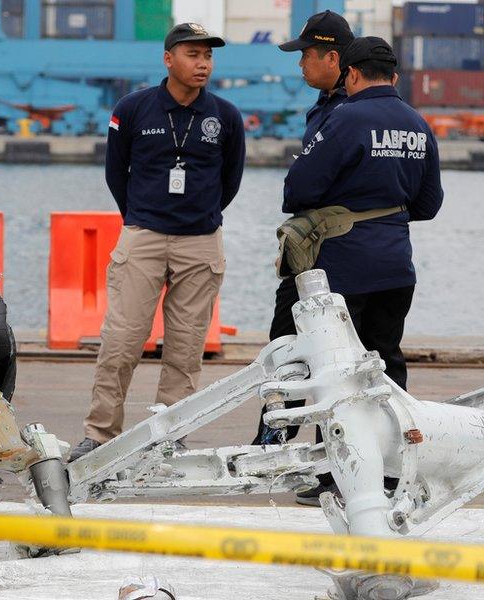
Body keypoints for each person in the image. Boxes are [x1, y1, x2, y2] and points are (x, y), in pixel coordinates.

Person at [275, 36, 444, 505]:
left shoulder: (344, 117)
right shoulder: (417, 123)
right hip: (396, 265)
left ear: (350, 74)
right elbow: (429, 204)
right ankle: (392, 474)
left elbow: (298, 188)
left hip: (344, 266)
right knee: (385, 366)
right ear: (393, 76)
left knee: (337, 373)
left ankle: (337, 476)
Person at [70, 23, 246, 461]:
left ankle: (170, 436)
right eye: (193, 54)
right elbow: (116, 172)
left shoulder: (225, 116)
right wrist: (137, 218)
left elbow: (231, 179)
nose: (203, 63)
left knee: (186, 349)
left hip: (201, 242)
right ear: (168, 59)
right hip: (144, 236)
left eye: (208, 55)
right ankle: (100, 433)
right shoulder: (132, 109)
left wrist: (203, 216)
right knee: (122, 341)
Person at [251, 10, 354, 446]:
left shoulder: (350, 112)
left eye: (306, 54)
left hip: (332, 244)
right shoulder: (329, 105)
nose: (300, 64)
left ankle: (310, 448)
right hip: (322, 243)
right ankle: (280, 436)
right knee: (289, 341)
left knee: (306, 343)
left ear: (332, 58)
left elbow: (304, 187)